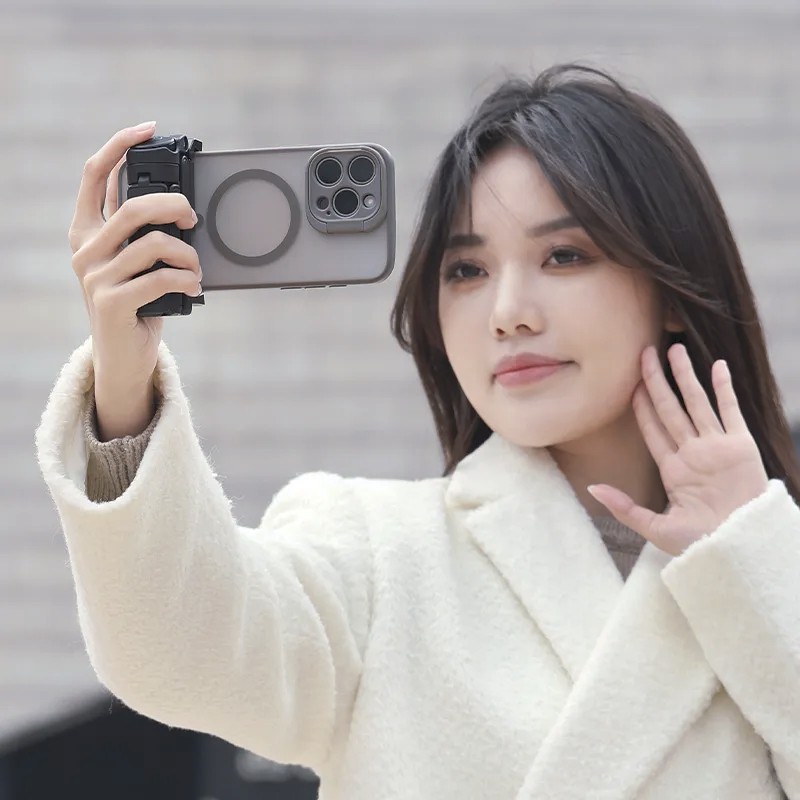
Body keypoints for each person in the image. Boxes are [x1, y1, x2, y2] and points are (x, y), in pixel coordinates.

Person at [34, 63, 799, 799]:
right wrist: (124, 379)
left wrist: (749, 555)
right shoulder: (376, 555)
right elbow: (173, 651)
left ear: (671, 286)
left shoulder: (766, 567)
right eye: (467, 271)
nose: (509, 312)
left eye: (564, 256)